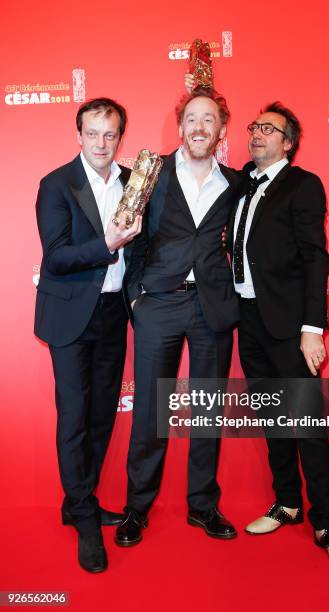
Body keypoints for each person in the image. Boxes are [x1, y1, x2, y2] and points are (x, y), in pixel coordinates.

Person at [233, 102, 329, 567]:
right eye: (254, 127)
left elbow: (316, 257)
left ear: (288, 142)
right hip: (248, 321)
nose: (257, 134)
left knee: (307, 424)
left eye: (270, 129)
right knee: (273, 420)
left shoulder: (303, 185)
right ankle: (286, 503)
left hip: (290, 327)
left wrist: (312, 327)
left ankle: (325, 519)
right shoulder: (242, 183)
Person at [115, 87, 242, 547]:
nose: (200, 127)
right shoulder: (152, 173)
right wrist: (136, 299)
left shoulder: (235, 184)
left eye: (209, 119)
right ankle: (137, 507)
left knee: (207, 411)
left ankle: (203, 505)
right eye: (192, 118)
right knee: (151, 410)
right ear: (181, 125)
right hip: (159, 305)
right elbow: (131, 237)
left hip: (212, 307)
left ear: (221, 129)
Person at [34, 97, 142, 573]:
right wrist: (107, 245)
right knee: (75, 417)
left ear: (121, 137)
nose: (101, 143)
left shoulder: (134, 184)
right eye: (93, 133)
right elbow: (56, 257)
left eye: (111, 134)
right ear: (78, 135)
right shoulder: (57, 184)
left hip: (113, 314)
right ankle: (82, 517)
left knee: (101, 417)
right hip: (70, 317)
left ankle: (80, 498)